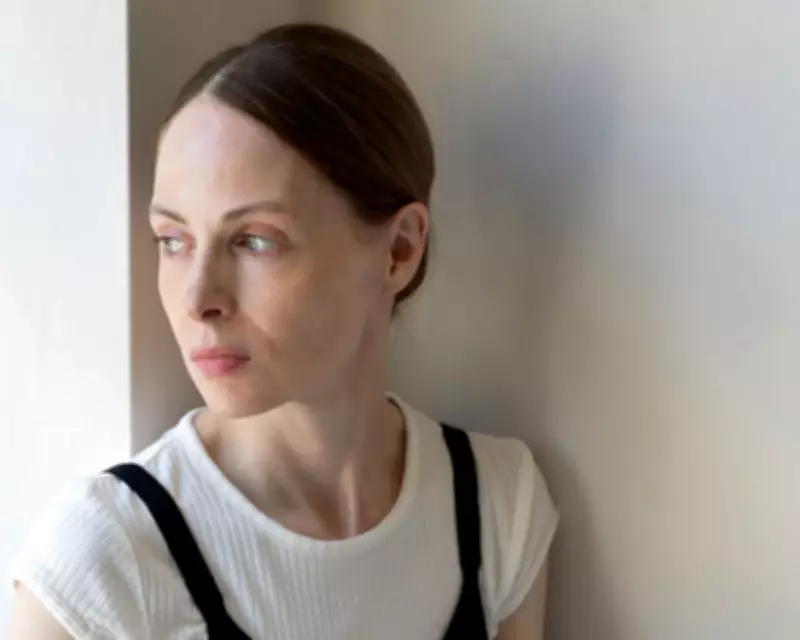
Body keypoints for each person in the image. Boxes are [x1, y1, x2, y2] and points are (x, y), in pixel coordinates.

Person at [9, 23, 558, 639]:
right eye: (174, 240)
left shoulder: (496, 507)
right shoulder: (105, 561)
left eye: (254, 240)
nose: (198, 300)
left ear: (398, 251)